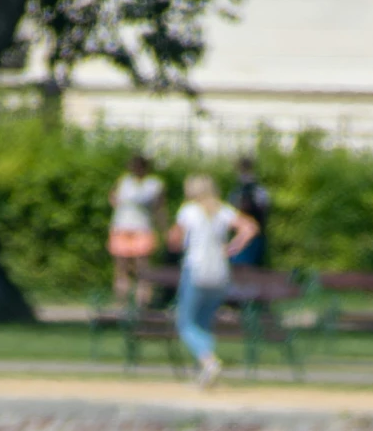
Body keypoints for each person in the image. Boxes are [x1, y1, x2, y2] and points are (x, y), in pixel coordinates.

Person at [166, 174, 258, 385]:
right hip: (220, 272)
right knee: (204, 323)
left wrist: (177, 243)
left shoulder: (189, 210)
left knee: (185, 323)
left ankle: (208, 362)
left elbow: (174, 239)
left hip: (196, 269)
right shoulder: (223, 210)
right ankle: (205, 373)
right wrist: (231, 248)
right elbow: (249, 228)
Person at [108, 153, 163, 305]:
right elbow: (113, 198)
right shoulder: (124, 181)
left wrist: (162, 228)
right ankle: (121, 301)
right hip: (122, 226)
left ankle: (142, 302)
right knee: (122, 267)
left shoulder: (153, 184)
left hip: (142, 228)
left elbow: (159, 208)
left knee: (142, 268)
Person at [229, 156, 271, 268]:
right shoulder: (260, 190)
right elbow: (265, 209)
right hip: (258, 234)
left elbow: (234, 211)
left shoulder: (239, 191)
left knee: (241, 268)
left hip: (244, 235)